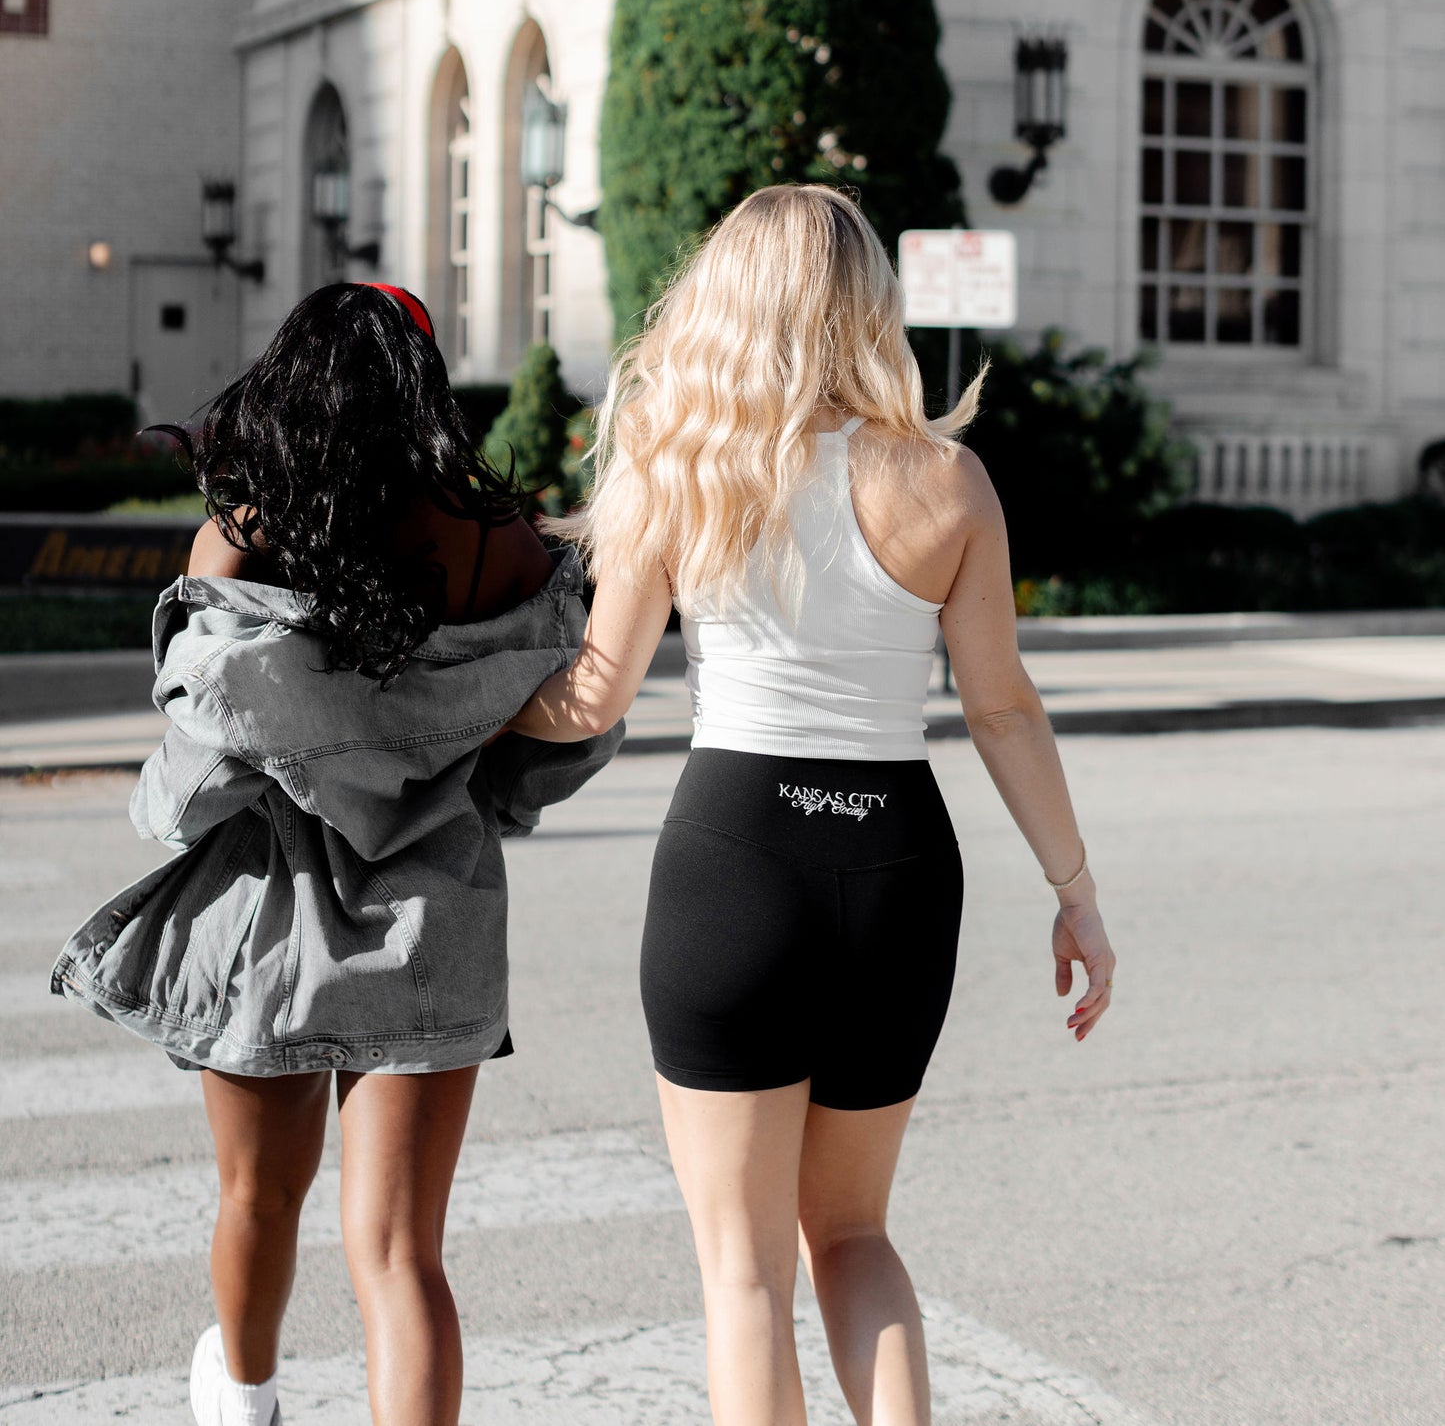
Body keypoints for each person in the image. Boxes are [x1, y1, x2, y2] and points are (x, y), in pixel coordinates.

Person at [511, 185, 1116, 1426]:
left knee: (741, 1274)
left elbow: (594, 694)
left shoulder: (680, 457)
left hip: (734, 858)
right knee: (852, 1232)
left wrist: (442, 722)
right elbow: (1002, 708)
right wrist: (1074, 893)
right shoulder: (949, 481)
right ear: (868, 306)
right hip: (897, 865)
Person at [53, 282, 621, 1426]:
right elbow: (548, 753)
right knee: (404, 1253)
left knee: (257, 1197)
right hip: (435, 918)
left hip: (267, 914)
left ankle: (246, 1399)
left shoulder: (247, 535)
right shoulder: (505, 546)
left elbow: (205, 761)